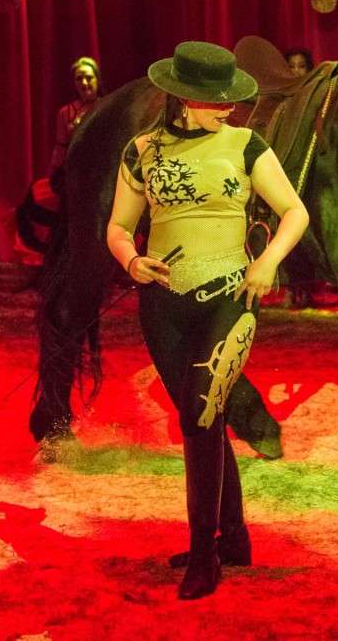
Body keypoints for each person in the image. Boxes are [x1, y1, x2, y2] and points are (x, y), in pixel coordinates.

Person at [106, 41, 309, 599]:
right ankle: (234, 538)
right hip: (162, 305)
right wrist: (132, 261)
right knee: (204, 418)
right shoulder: (142, 151)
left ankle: (204, 554)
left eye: (230, 99)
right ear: (182, 97)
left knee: (198, 418)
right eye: (216, 100)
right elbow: (118, 228)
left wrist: (267, 262)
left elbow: (295, 211)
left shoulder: (246, 145)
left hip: (230, 296)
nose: (229, 108)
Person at [15, 56, 104, 263]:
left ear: (97, 79)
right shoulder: (66, 112)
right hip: (72, 172)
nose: (84, 83)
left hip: (100, 170)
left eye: (88, 77)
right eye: (79, 78)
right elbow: (60, 146)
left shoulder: (108, 107)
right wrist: (52, 173)